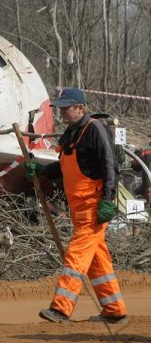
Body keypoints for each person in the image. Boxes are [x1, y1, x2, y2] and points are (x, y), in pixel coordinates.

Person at [25, 87, 127, 324]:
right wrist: (42, 171)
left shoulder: (95, 129)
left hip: (94, 206)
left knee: (76, 256)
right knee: (97, 261)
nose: (61, 113)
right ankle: (114, 310)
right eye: (60, 109)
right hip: (78, 207)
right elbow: (63, 167)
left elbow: (110, 165)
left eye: (66, 108)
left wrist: (109, 200)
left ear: (80, 108)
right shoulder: (69, 134)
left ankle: (61, 308)